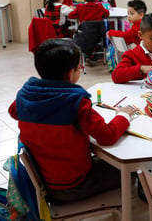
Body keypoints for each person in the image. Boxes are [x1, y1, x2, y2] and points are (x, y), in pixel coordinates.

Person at [8, 38, 136, 204]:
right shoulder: (75, 102)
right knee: (130, 169)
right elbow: (108, 136)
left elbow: (13, 111)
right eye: (79, 67)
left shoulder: (25, 94)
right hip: (73, 186)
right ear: (70, 73)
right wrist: (123, 115)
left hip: (43, 181)